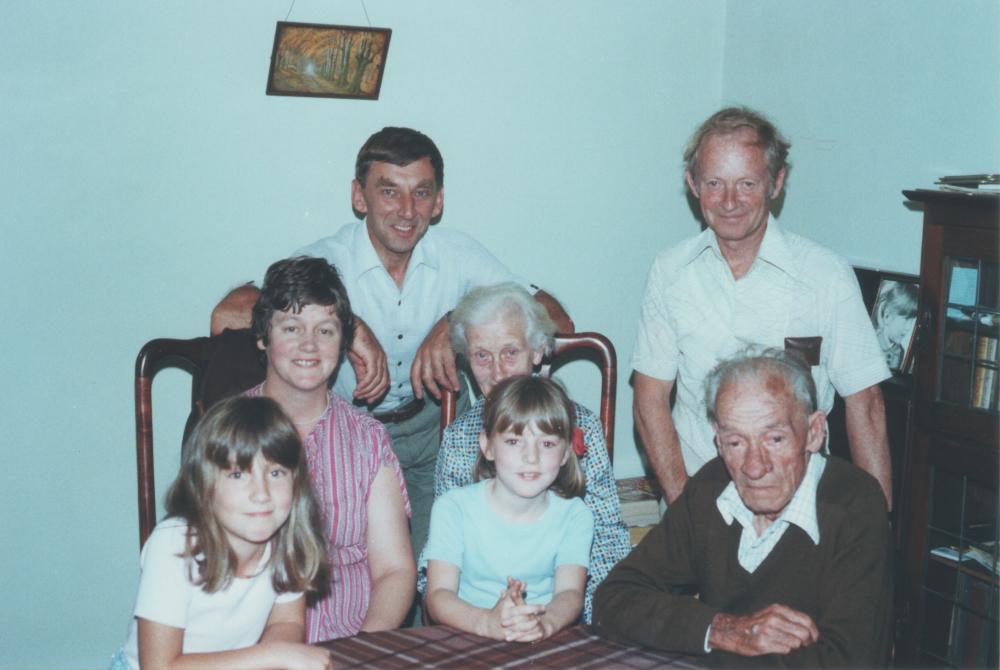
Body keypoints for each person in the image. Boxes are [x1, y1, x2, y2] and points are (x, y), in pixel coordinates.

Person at [210, 127, 572, 561]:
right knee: (343, 561)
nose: (406, 210)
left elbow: (556, 318)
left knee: (440, 562)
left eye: (421, 193)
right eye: (388, 191)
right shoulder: (327, 259)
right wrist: (346, 323)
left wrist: (456, 320)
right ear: (359, 197)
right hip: (348, 435)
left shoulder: (457, 253)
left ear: (438, 202)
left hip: (435, 433)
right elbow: (227, 314)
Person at [632, 107, 893, 509]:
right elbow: (649, 397)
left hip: (799, 507)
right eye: (714, 183)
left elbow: (866, 402)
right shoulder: (670, 271)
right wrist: (686, 507)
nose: (729, 201)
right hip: (699, 499)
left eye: (747, 183)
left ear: (776, 182)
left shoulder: (825, 275)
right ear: (693, 184)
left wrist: (876, 524)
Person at [594, 349, 893, 668]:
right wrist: (724, 630)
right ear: (718, 441)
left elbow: (851, 660)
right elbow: (614, 598)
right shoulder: (710, 490)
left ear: (814, 432)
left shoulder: (855, 505)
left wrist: (710, 643)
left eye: (775, 439)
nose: (754, 467)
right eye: (735, 442)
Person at [431, 282, 629, 623]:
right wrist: (487, 621)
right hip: (476, 618)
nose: (497, 372)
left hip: (563, 615)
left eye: (510, 352)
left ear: (537, 351)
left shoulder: (580, 424)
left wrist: (585, 624)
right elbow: (440, 566)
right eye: (482, 356)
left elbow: (606, 542)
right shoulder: (460, 438)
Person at [245, 256, 415, 641]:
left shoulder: (369, 439)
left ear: (342, 344)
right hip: (254, 649)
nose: (309, 345)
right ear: (263, 337)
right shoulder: (226, 433)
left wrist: (361, 652)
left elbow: (394, 571)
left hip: (353, 642)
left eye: (325, 330)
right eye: (292, 328)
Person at [110, 396, 332, 670]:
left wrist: (277, 656)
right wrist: (272, 656)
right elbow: (159, 666)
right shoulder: (174, 544)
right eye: (238, 475)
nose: (261, 494)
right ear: (206, 485)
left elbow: (287, 622)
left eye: (275, 473)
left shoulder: (286, 542)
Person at [424, 376, 594, 643]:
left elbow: (570, 594)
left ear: (565, 453)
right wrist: (487, 623)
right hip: (467, 634)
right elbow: (438, 596)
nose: (531, 457)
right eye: (514, 441)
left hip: (542, 636)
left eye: (547, 444)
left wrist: (543, 624)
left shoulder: (575, 516)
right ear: (487, 446)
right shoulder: (452, 508)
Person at [872, 280, 918, 370]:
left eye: (912, 320)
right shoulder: (873, 343)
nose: (908, 327)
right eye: (906, 319)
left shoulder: (900, 351)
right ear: (887, 316)